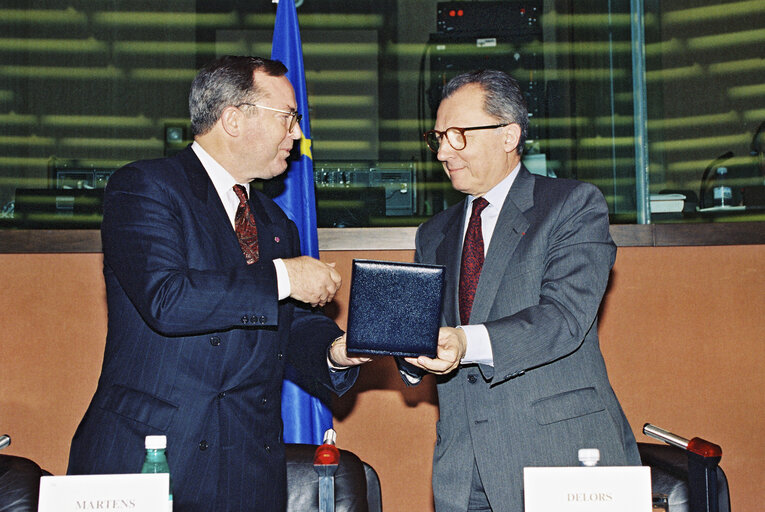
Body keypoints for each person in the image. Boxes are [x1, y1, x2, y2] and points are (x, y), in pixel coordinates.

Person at [67, 55, 368, 511]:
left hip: (248, 470)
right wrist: (285, 275)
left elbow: (288, 325)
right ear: (232, 118)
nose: (296, 134)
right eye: (288, 117)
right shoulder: (144, 187)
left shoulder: (275, 222)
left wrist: (335, 353)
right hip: (148, 460)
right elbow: (168, 299)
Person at [399, 69, 641, 512]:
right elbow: (426, 333)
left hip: (560, 460)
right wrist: (401, 348)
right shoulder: (432, 234)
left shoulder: (573, 205)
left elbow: (564, 318)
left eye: (457, 135)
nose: (443, 152)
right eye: (438, 138)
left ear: (509, 135)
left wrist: (463, 341)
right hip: (462, 470)